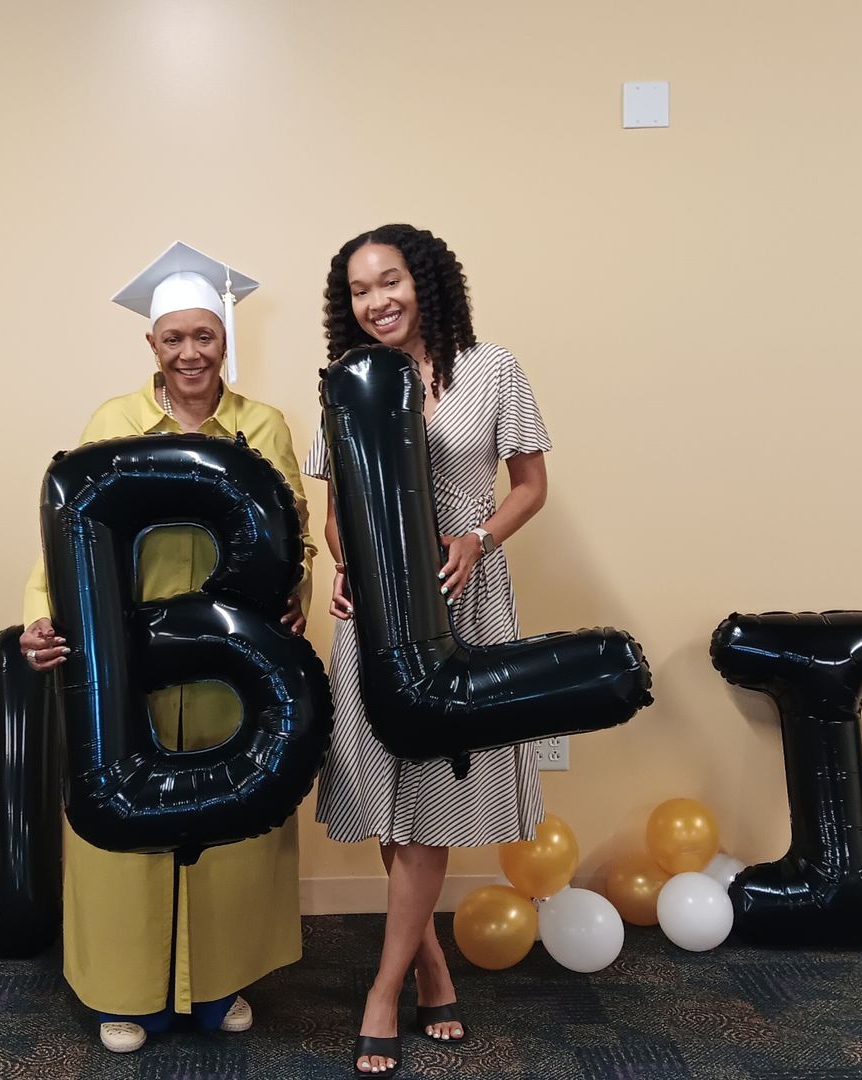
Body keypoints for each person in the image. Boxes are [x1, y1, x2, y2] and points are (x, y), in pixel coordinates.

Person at [20, 241, 315, 1053]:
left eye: (205, 336)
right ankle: (128, 993)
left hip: (228, 667)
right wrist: (40, 617)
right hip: (131, 665)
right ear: (151, 345)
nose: (191, 353)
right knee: (129, 824)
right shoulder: (113, 424)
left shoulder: (263, 428)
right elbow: (66, 542)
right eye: (174, 339)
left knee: (230, 818)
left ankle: (218, 985)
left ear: (226, 338)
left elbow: (298, 540)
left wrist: (293, 600)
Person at [304, 225, 553, 1076]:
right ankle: (432, 964)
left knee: (436, 795)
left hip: (461, 598)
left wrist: (478, 537)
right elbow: (336, 507)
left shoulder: (492, 369)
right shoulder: (346, 384)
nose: (377, 301)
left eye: (391, 281)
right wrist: (346, 564)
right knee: (386, 787)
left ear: (427, 282)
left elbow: (531, 487)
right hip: (374, 605)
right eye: (360, 290)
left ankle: (383, 990)